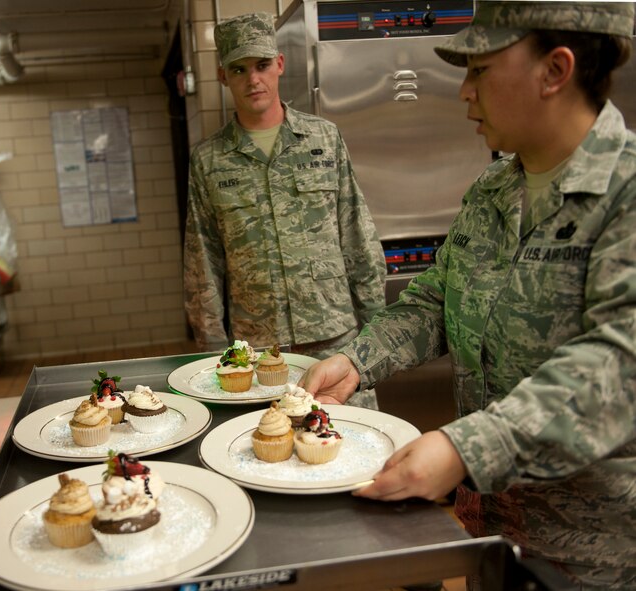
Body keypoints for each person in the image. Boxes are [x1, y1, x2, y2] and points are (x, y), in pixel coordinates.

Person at [299, 1, 635, 588]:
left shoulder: (624, 193)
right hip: (489, 526)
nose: (463, 91)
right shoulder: (495, 187)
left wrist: (463, 449)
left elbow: (616, 364)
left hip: (593, 549)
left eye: (480, 69)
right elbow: (436, 300)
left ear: (554, 71)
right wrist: (358, 359)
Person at [182, 13, 387, 394]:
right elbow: (202, 264)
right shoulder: (209, 160)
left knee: (351, 442)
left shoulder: (323, 139)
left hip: (336, 339)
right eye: (239, 69)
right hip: (260, 350)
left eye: (261, 65)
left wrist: (375, 331)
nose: (253, 79)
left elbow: (357, 234)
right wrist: (212, 353)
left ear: (279, 64)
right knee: (268, 446)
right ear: (223, 75)